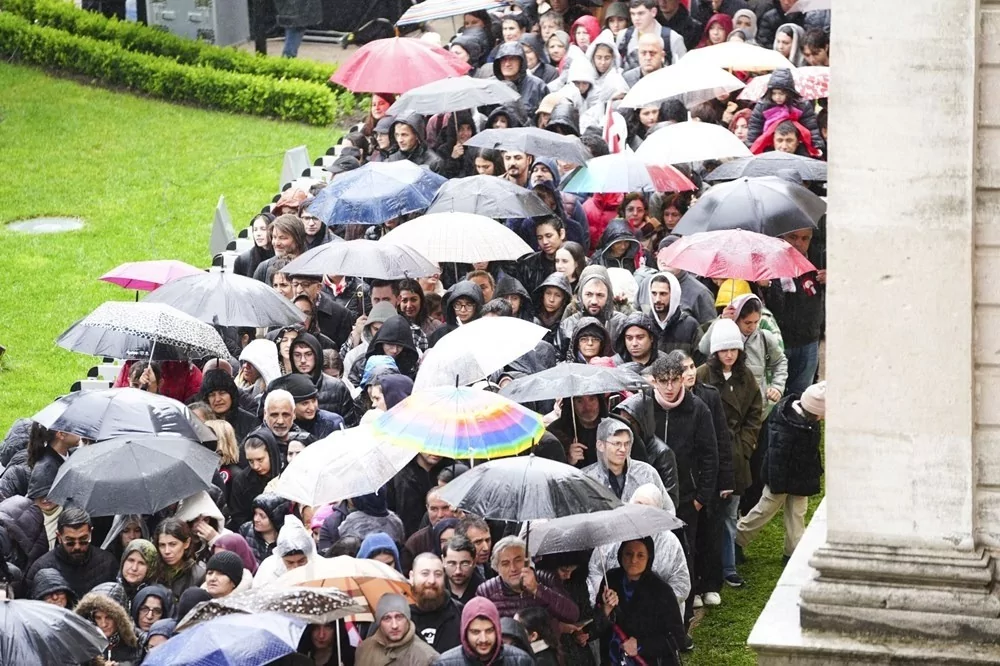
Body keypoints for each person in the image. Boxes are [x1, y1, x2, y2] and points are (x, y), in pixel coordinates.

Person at [696, 319, 763, 591]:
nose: (729, 355)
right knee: (708, 517)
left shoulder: (746, 377)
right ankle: (708, 569)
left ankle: (728, 567)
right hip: (708, 455)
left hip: (735, 456)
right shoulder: (702, 375)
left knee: (730, 515)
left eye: (733, 349)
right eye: (724, 350)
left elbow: (754, 415)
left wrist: (745, 447)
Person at [737, 381, 824, 563]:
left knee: (797, 513)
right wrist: (778, 485)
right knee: (764, 510)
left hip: (801, 477)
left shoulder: (809, 421)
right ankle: (737, 540)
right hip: (780, 479)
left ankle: (793, 552)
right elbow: (777, 459)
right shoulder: (786, 426)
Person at [594, 537, 685, 666]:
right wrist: (605, 609)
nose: (633, 560)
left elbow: (678, 638)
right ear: (621, 554)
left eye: (640, 555)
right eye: (628, 554)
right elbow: (597, 626)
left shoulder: (661, 590)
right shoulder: (611, 580)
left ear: (649, 558)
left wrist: (641, 646)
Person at [764, 226, 824, 396]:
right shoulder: (770, 263)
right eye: (793, 237)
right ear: (782, 237)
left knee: (801, 398)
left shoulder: (818, 261)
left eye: (805, 238)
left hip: (809, 341)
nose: (799, 243)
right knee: (775, 396)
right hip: (779, 343)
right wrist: (766, 287)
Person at [476, 536, 579, 623]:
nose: (513, 568)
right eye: (505, 563)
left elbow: (573, 615)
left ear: (528, 560)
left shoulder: (547, 578)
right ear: (496, 568)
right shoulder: (486, 591)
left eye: (518, 560)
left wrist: (537, 589)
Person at [23, 507, 117, 600]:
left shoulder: (108, 563)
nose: (77, 547)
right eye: (70, 542)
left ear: (91, 533)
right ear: (59, 537)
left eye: (83, 540)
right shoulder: (40, 568)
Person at [583, 417, 668, 501]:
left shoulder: (646, 473)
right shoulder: (586, 479)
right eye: (617, 443)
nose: (623, 449)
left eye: (627, 443)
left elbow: (667, 509)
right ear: (600, 445)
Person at [432, 597, 534, 665]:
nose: (483, 639)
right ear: (465, 633)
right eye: (476, 632)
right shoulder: (445, 664)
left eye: (489, 631)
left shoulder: (521, 661)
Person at [747, 68, 824, 156]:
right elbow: (755, 127)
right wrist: (751, 146)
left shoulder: (801, 105)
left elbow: (811, 127)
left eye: (781, 94)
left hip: (796, 143)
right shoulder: (763, 106)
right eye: (774, 93)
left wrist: (816, 145)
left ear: (789, 93)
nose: (777, 97)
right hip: (768, 144)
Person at [556, 265, 628, 358]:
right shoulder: (568, 324)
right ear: (580, 295)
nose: (594, 301)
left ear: (608, 296)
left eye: (600, 295)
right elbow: (558, 359)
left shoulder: (621, 323)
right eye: (589, 294)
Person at [357, 592, 440, 666]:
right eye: (387, 618)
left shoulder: (426, 657)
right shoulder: (364, 649)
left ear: (407, 619)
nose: (394, 625)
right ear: (379, 622)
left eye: (399, 617)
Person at [229, 420, 285, 529]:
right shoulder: (242, 480)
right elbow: (238, 515)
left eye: (260, 459)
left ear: (271, 454)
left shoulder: (286, 474)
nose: (255, 466)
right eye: (250, 461)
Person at [289, 332, 355, 421]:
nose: (303, 360)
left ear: (317, 355)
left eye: (308, 354)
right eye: (297, 355)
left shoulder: (337, 387)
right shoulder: (281, 387)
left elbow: (350, 425)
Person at [410, 553, 463, 654]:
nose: (432, 581)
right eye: (425, 573)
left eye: (438, 574)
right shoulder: (398, 617)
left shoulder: (460, 613)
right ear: (412, 577)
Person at [641, 271, 703, 358]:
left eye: (663, 294)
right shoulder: (644, 324)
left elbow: (700, 360)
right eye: (654, 293)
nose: (657, 299)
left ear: (674, 295)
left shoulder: (690, 325)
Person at [76, 587, 143, 666]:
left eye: (109, 617)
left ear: (119, 618)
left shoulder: (139, 641)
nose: (103, 624)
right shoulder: (84, 645)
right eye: (98, 618)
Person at [617, 0, 686, 71]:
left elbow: (683, 71)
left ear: (653, 12)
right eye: (632, 14)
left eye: (641, 13)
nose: (636, 18)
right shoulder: (623, 36)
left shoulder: (673, 38)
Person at [199, 369, 261, 444]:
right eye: (212, 395)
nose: (217, 399)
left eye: (222, 393)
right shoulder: (201, 422)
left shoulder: (251, 423)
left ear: (232, 395)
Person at [253, 515, 315, 587]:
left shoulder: (321, 567)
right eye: (290, 562)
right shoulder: (267, 571)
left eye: (301, 561)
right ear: (280, 557)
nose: (296, 567)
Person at [154, 518, 206, 601]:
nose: (167, 551)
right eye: (162, 545)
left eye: (172, 544)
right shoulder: (153, 570)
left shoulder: (198, 576)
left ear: (186, 543)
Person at [491, 42, 548, 116]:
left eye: (513, 59)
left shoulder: (537, 86)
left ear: (521, 62)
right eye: (503, 59)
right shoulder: (490, 86)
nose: (507, 64)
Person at [428, 281, 484, 348]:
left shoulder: (484, 332)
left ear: (477, 307)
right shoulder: (440, 333)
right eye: (458, 304)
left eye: (469, 305)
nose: (463, 310)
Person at [239, 493, 290, 565]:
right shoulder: (245, 531)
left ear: (275, 518)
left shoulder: (287, 537)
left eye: (262, 516)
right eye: (255, 514)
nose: (256, 519)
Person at [443, 534, 483, 605]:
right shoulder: (435, 590)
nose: (458, 571)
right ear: (443, 561)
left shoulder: (486, 592)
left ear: (474, 562)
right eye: (452, 563)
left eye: (464, 564)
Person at [234, 212, 274, 278]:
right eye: (255, 230)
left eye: (263, 229)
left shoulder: (281, 257)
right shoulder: (242, 261)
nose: (258, 234)